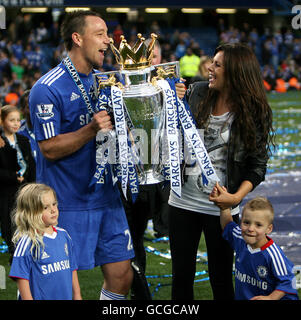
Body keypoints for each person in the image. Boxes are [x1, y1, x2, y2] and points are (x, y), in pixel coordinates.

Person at [29, 10, 134, 300]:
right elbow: (48, 148)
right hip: (66, 202)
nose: (109, 41)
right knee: (55, 284)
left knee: (122, 274)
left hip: (107, 196)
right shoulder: (47, 88)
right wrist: (91, 129)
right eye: (100, 34)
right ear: (77, 38)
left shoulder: (108, 82)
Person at [169, 42, 275, 300]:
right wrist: (171, 97)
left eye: (217, 65)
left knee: (221, 279)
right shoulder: (195, 93)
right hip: (182, 201)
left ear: (236, 72)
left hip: (223, 209)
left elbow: (257, 165)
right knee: (181, 277)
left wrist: (236, 198)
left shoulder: (253, 110)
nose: (209, 68)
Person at [212, 191, 299, 300]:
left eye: (258, 225)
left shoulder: (273, 255)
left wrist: (271, 298)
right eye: (246, 222)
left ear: (269, 229)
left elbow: (288, 281)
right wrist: (224, 207)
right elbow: (228, 226)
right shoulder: (240, 238)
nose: (250, 229)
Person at [9, 183, 82, 300]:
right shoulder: (28, 241)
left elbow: (72, 268)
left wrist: (77, 295)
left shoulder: (64, 235)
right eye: (45, 207)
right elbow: (21, 277)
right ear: (32, 212)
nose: (53, 210)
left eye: (54, 204)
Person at [0, 105, 36, 258]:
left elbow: (31, 164)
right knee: (8, 221)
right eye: (11, 120)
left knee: (25, 219)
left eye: (18, 120)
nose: (15, 123)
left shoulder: (23, 139)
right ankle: (13, 250)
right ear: (2, 122)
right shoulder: (1, 141)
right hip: (6, 189)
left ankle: (26, 249)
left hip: (24, 188)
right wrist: (13, 176)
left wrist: (31, 182)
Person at [18, 89, 38, 161]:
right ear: (22, 111)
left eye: (37, 106)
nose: (35, 111)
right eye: (30, 107)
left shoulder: (54, 129)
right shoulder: (18, 134)